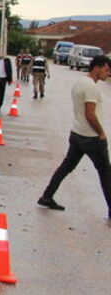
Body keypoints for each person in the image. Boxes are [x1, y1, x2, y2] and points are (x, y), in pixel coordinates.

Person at [37, 55, 111, 217]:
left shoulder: (79, 82)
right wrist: (101, 133)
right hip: (91, 138)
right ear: (97, 67)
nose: (108, 73)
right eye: (106, 70)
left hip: (77, 134)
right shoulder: (91, 87)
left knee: (66, 167)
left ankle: (47, 196)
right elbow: (90, 114)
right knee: (106, 174)